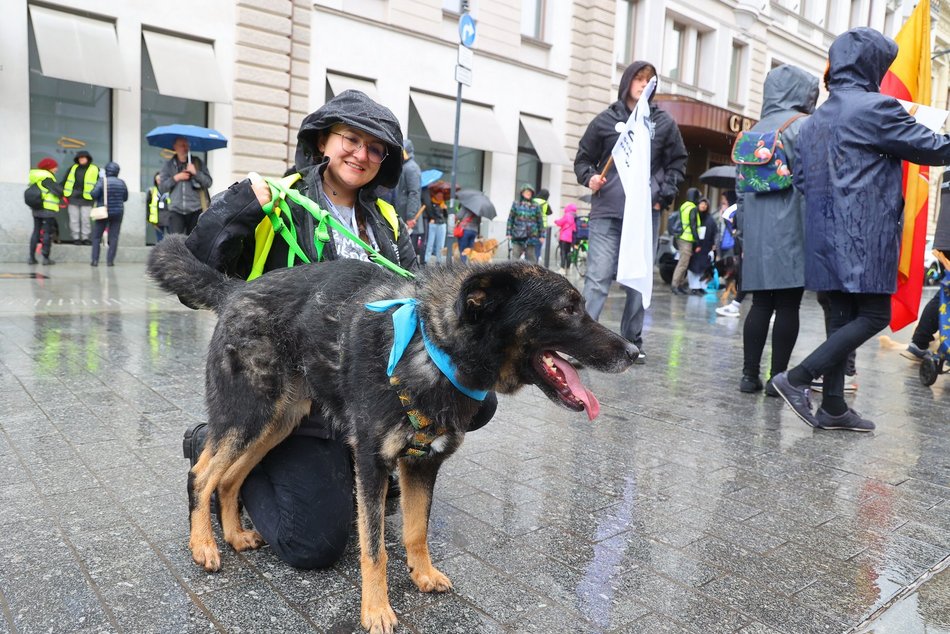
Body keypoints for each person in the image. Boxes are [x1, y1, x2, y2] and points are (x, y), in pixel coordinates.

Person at [180, 90, 497, 569]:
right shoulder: (279, 200)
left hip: (357, 392)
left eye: (375, 148)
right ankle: (216, 449)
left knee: (476, 397)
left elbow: (418, 304)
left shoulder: (386, 222)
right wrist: (242, 205)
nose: (361, 154)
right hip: (282, 364)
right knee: (314, 545)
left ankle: (339, 455)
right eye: (351, 139)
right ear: (323, 141)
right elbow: (195, 271)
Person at [771, 28, 950, 431]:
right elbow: (936, 149)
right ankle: (797, 378)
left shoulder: (816, 119)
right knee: (872, 315)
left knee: (841, 317)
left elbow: (801, 179)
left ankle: (833, 406)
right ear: (871, 65)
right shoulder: (876, 108)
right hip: (862, 234)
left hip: (823, 235)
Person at [574, 60, 687, 359]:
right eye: (638, 78)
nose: (643, 84)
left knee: (638, 279)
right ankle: (584, 343)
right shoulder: (604, 120)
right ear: (627, 82)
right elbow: (583, 159)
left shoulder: (663, 123)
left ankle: (631, 341)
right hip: (606, 212)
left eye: (649, 79)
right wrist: (590, 178)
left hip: (643, 215)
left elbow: (677, 162)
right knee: (597, 279)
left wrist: (662, 195)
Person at [736, 65, 819, 395]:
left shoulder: (753, 130)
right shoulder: (803, 127)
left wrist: (744, 232)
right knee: (788, 306)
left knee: (759, 305)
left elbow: (740, 190)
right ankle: (777, 379)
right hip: (792, 229)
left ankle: (748, 375)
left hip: (757, 232)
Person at [158, 137, 213, 236]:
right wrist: (176, 178)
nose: (185, 148)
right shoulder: (169, 165)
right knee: (175, 242)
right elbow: (162, 187)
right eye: (182, 145)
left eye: (187, 145)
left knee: (194, 243)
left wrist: (195, 173)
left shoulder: (197, 162)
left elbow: (208, 182)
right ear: (175, 147)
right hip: (176, 210)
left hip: (196, 209)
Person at [89, 162, 128, 267]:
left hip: (103, 212)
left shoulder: (102, 181)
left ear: (106, 171)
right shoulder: (122, 183)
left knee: (97, 237)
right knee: (114, 237)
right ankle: (110, 261)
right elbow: (125, 198)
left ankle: (95, 260)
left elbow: (93, 194)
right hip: (118, 212)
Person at [27, 157, 64, 265]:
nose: (56, 169)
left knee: (36, 231)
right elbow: (58, 191)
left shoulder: (35, 178)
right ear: (49, 168)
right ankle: (46, 258)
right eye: (55, 167)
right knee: (47, 233)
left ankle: (31, 258)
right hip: (47, 209)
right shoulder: (47, 178)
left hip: (37, 208)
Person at [61, 150, 98, 245]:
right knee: (74, 219)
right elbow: (65, 181)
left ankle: (85, 238)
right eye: (79, 158)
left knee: (85, 219)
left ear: (88, 158)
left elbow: (99, 184)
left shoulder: (94, 169)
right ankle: (76, 238)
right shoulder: (72, 168)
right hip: (73, 197)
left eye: (83, 157)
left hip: (87, 198)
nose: (81, 159)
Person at [671, 187, 701, 294]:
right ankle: (675, 285)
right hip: (687, 239)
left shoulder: (684, 205)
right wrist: (697, 240)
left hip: (681, 237)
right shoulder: (692, 207)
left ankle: (679, 285)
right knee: (683, 263)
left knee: (683, 262)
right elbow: (693, 225)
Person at [686, 197, 717, 295]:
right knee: (694, 267)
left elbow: (714, 232)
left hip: (705, 247)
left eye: (705, 204)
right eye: (701, 204)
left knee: (703, 268)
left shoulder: (710, 219)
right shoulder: (694, 215)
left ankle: (701, 287)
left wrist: (713, 244)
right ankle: (693, 287)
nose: (703, 206)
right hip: (696, 245)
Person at [507, 183, 544, 263]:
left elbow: (540, 222)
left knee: (531, 257)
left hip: (531, 236)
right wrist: (509, 233)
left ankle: (533, 274)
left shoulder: (536, 206)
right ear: (522, 193)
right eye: (526, 191)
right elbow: (510, 219)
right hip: (518, 235)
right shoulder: (516, 204)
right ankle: (512, 274)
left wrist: (542, 235)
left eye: (530, 192)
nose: (528, 193)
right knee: (515, 256)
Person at [394, 139, 421, 228]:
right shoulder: (405, 166)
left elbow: (414, 192)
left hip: (406, 217)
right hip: (401, 214)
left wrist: (410, 216)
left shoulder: (411, 168)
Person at [423, 180, 450, 264]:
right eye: (438, 195)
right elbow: (429, 212)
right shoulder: (431, 202)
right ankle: (426, 260)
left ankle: (439, 261)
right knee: (430, 243)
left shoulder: (443, 204)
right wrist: (431, 218)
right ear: (436, 194)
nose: (440, 197)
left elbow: (446, 216)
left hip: (442, 225)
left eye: (441, 195)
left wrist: (445, 209)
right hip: (433, 224)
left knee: (440, 245)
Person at [554, 203, 578, 274]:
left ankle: (562, 269)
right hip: (572, 238)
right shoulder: (575, 216)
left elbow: (560, 222)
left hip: (564, 237)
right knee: (569, 253)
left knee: (563, 253)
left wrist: (556, 221)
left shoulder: (567, 215)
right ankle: (567, 268)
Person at [147, 172, 169, 242]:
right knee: (160, 240)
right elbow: (148, 206)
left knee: (171, 239)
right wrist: (148, 218)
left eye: (161, 179)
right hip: (157, 218)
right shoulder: (152, 191)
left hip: (169, 217)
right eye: (158, 179)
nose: (159, 181)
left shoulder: (170, 190)